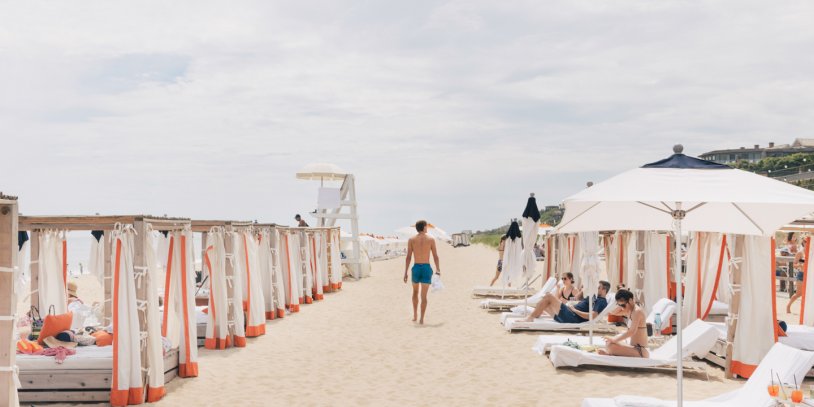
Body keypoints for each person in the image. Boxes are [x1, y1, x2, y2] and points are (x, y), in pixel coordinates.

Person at [403, 220, 441, 324]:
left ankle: (415, 315)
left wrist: (405, 272)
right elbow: (435, 256)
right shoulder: (431, 239)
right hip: (426, 268)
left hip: (416, 267)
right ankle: (421, 319)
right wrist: (438, 269)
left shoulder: (411, 239)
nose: (427, 228)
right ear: (424, 227)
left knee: (415, 292)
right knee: (424, 296)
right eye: (426, 227)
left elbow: (408, 257)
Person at [518, 280, 610, 323]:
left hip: (572, 316)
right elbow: (577, 298)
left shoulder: (601, 301)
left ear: (604, 290)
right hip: (568, 313)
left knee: (549, 297)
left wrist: (575, 310)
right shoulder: (594, 296)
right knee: (545, 299)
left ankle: (530, 318)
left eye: (598, 287)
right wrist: (585, 289)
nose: (595, 289)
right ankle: (534, 316)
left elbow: (592, 316)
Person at [598, 289, 649, 357]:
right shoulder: (629, 311)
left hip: (641, 350)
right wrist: (621, 305)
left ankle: (610, 353)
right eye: (620, 305)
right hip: (634, 347)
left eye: (623, 305)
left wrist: (614, 340)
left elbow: (632, 332)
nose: (622, 308)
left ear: (630, 300)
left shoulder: (637, 312)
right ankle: (610, 352)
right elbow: (613, 312)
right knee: (608, 343)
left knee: (611, 346)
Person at [787, 238, 807, 313]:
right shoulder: (800, 253)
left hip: (810, 276)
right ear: (803, 243)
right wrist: (800, 265)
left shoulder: (811, 252)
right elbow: (794, 265)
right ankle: (788, 306)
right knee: (799, 294)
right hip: (802, 274)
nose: (807, 243)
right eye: (805, 241)